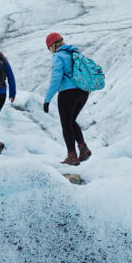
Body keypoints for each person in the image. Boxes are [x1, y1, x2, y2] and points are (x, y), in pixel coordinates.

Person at [42, 32, 92, 166]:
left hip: (68, 93)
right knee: (71, 121)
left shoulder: (58, 56)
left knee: (66, 124)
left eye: (49, 48)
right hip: (83, 92)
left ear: (53, 45)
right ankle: (83, 149)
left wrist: (47, 100)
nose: (50, 51)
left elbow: (56, 78)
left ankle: (72, 156)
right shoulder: (75, 54)